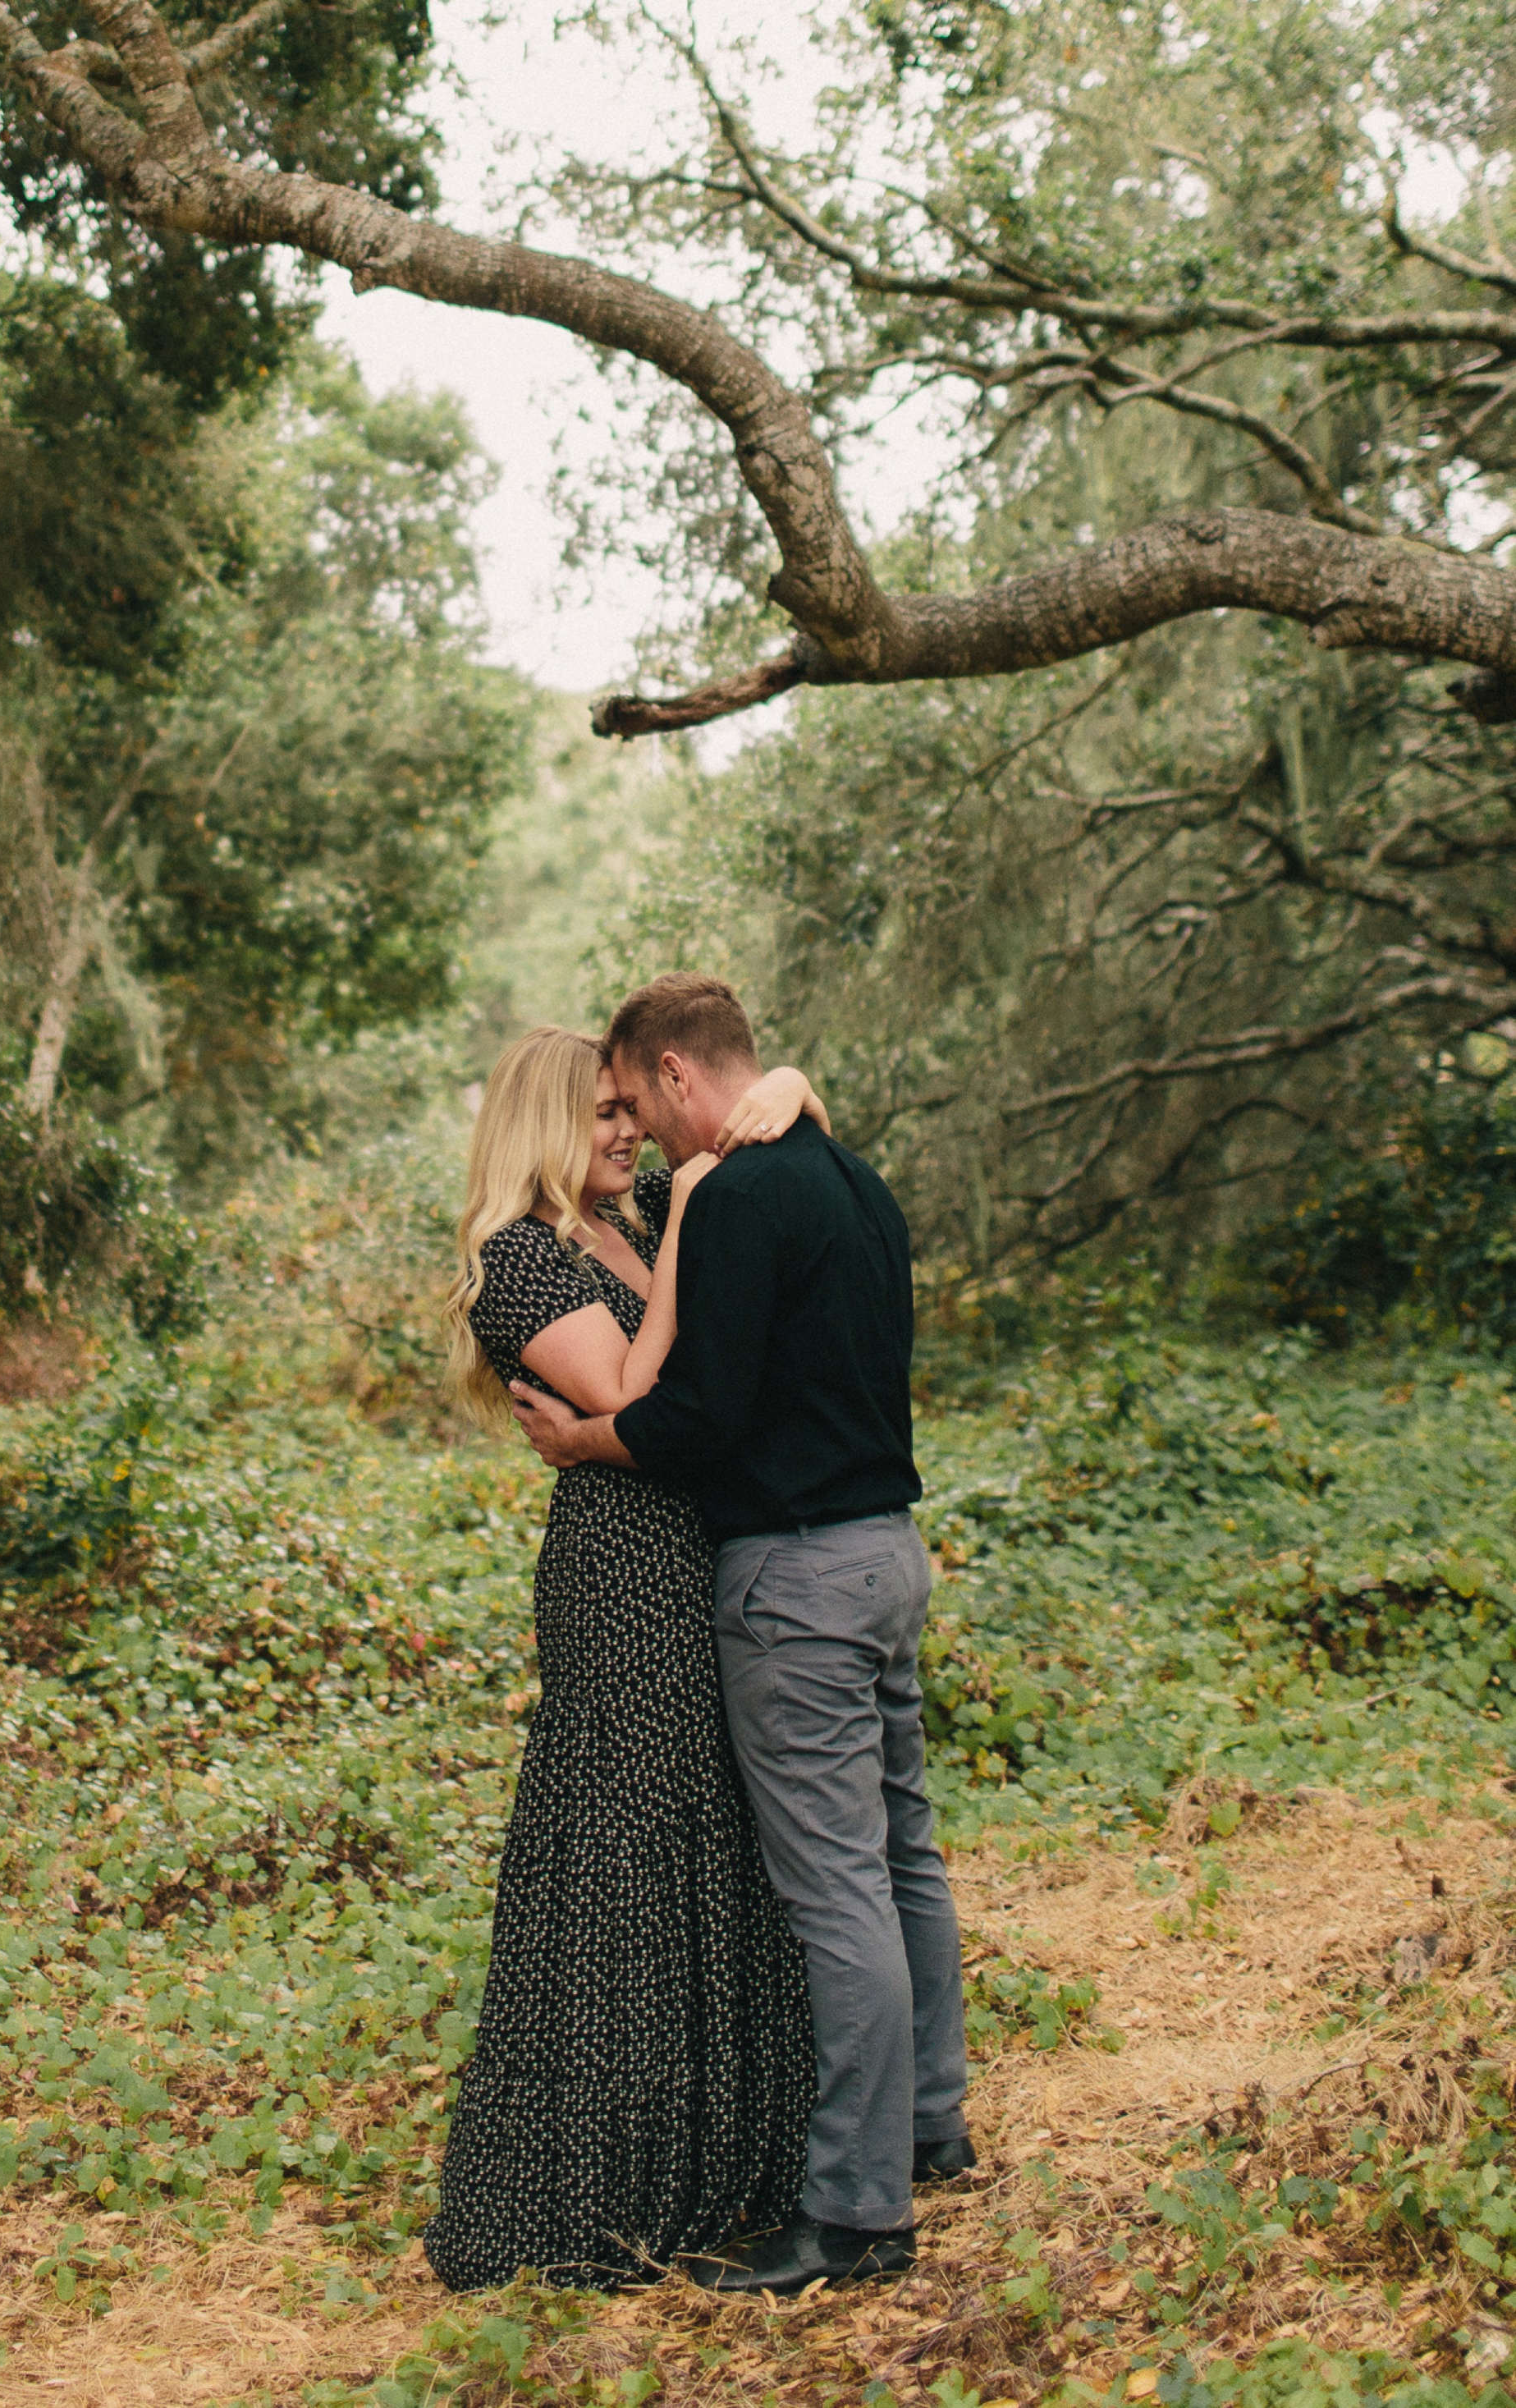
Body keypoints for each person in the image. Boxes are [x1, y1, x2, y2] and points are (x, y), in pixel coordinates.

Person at [509, 974, 971, 2299]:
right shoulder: (856, 1183)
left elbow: (696, 1416)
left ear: (670, 1073)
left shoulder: (737, 1199)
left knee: (837, 1889)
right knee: (905, 1851)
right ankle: (930, 2119)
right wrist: (794, 1088)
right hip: (889, 1551)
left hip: (798, 1580)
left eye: (636, 1104)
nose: (641, 1138)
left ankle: (857, 2208)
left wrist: (590, 1438)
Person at [421, 1023, 827, 2292]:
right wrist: (694, 1225)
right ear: (544, 1121)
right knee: (627, 1854)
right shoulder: (520, 1261)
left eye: (626, 1110)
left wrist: (790, 1090)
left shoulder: (636, 1214)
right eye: (599, 1113)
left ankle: (727, 2160)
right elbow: (630, 1398)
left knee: (722, 1834)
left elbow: (754, 1112)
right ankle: (598, 2184)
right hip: (622, 1574)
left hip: (702, 1546)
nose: (627, 1132)